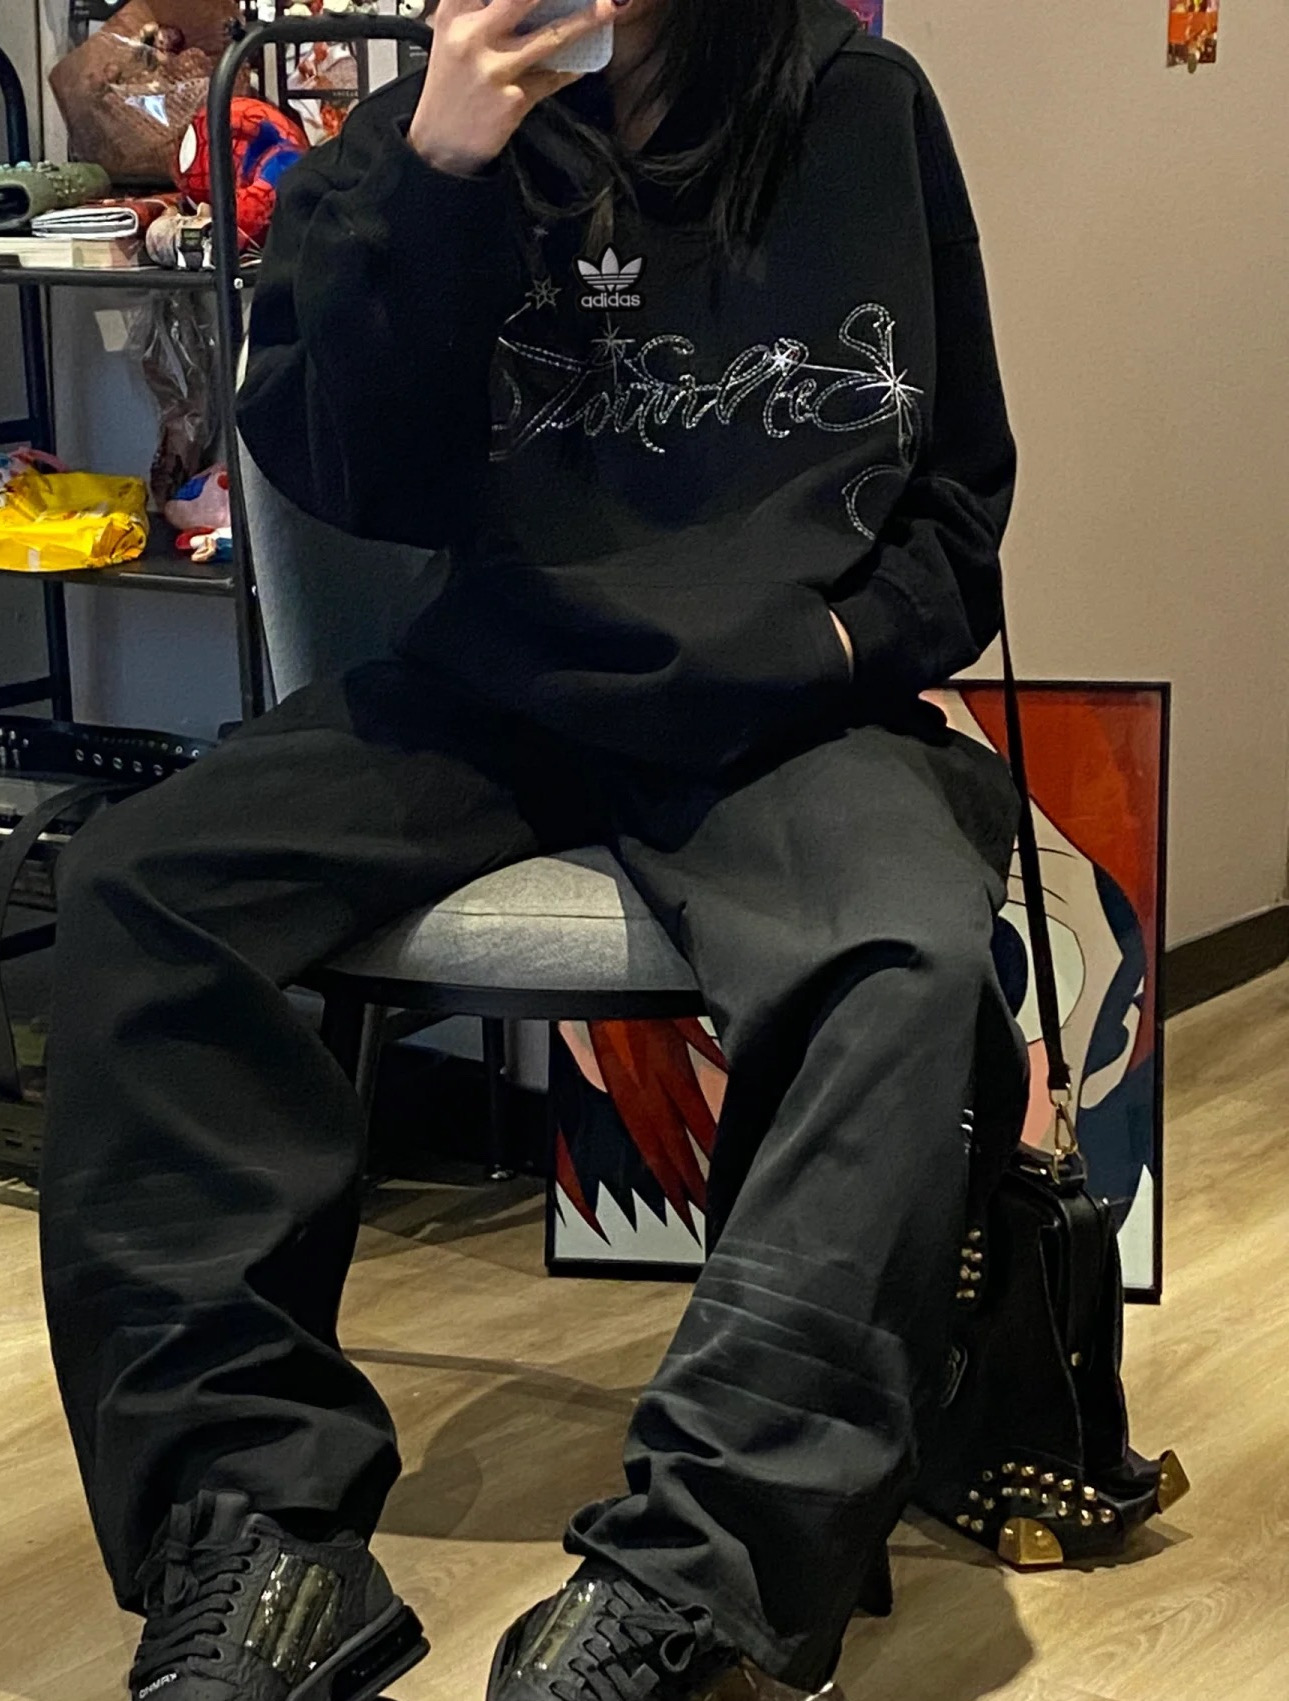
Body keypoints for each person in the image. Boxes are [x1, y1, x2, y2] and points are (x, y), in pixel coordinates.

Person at [40, 0, 1030, 1697]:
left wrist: (844, 647)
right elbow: (349, 476)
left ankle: (700, 1580)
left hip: (781, 711)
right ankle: (250, 1535)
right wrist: (438, 175)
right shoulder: (408, 142)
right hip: (488, 687)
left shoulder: (854, 105)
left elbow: (953, 491)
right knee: (142, 891)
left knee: (901, 956)